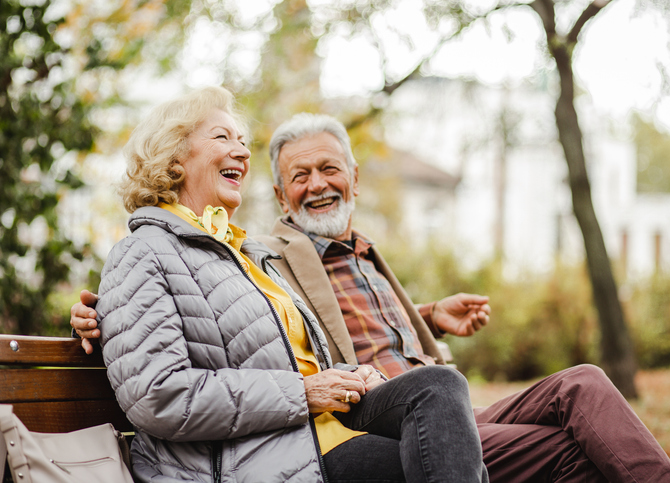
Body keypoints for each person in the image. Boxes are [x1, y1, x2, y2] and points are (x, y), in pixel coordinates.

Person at [74, 110, 670, 482]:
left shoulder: (266, 255)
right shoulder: (268, 249)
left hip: (411, 409)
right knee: (558, 448)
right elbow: (157, 352)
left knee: (579, 385)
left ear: (356, 177)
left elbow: (268, 325)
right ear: (282, 198)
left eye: (330, 170)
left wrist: (427, 319)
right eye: (298, 177)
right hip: (344, 424)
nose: (316, 186)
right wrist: (93, 313)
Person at [93, 86, 485, 483]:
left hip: (318, 428)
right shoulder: (142, 253)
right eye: (222, 137)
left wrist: (351, 374)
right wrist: (304, 392)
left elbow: (285, 360)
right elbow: (159, 395)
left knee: (439, 385)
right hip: (256, 455)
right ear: (174, 158)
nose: (244, 153)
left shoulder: (244, 252)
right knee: (453, 461)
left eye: (242, 141)